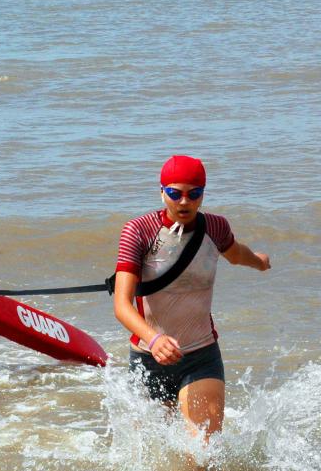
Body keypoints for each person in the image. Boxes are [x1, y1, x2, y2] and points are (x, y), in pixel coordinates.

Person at [113, 155, 270, 442]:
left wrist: (259, 262)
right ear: (162, 192)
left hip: (200, 355)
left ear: (202, 195)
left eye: (193, 194)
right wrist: (154, 339)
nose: (184, 202)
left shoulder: (215, 227)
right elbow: (122, 306)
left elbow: (236, 255)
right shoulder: (138, 231)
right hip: (149, 359)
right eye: (175, 193)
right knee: (153, 459)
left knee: (204, 453)